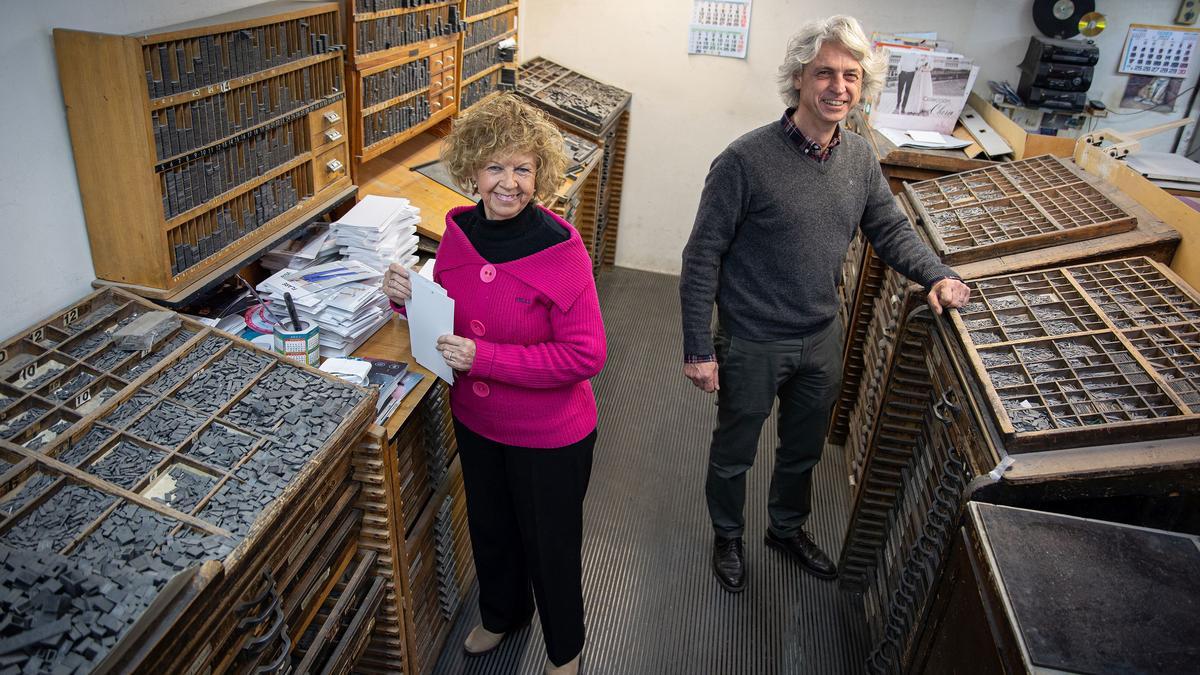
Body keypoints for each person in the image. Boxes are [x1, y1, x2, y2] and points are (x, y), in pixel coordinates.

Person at [679, 15, 970, 594]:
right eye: (825, 74)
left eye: (851, 77)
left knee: (803, 451)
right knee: (735, 451)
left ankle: (785, 530)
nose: (839, 87)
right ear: (799, 81)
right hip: (752, 339)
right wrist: (697, 347)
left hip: (820, 336)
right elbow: (701, 257)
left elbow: (889, 229)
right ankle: (729, 536)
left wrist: (937, 274)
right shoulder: (744, 161)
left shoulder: (860, 158)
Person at [381, 93, 605, 675]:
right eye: (495, 167)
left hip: (549, 434)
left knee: (550, 547)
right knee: (492, 528)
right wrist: (409, 303)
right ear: (472, 171)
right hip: (479, 421)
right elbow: (451, 318)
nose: (509, 182)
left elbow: (585, 354)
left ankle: (565, 651)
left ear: (541, 174)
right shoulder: (459, 233)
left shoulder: (562, 253)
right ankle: (503, 614)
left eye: (523, 168)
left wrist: (484, 358)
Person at [894, 48, 919, 113]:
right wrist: (899, 72)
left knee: (907, 92)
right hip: (903, 73)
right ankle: (898, 105)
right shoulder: (905, 52)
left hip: (911, 74)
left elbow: (917, 64)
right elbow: (900, 62)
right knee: (900, 91)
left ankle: (903, 107)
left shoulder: (917, 54)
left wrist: (916, 68)